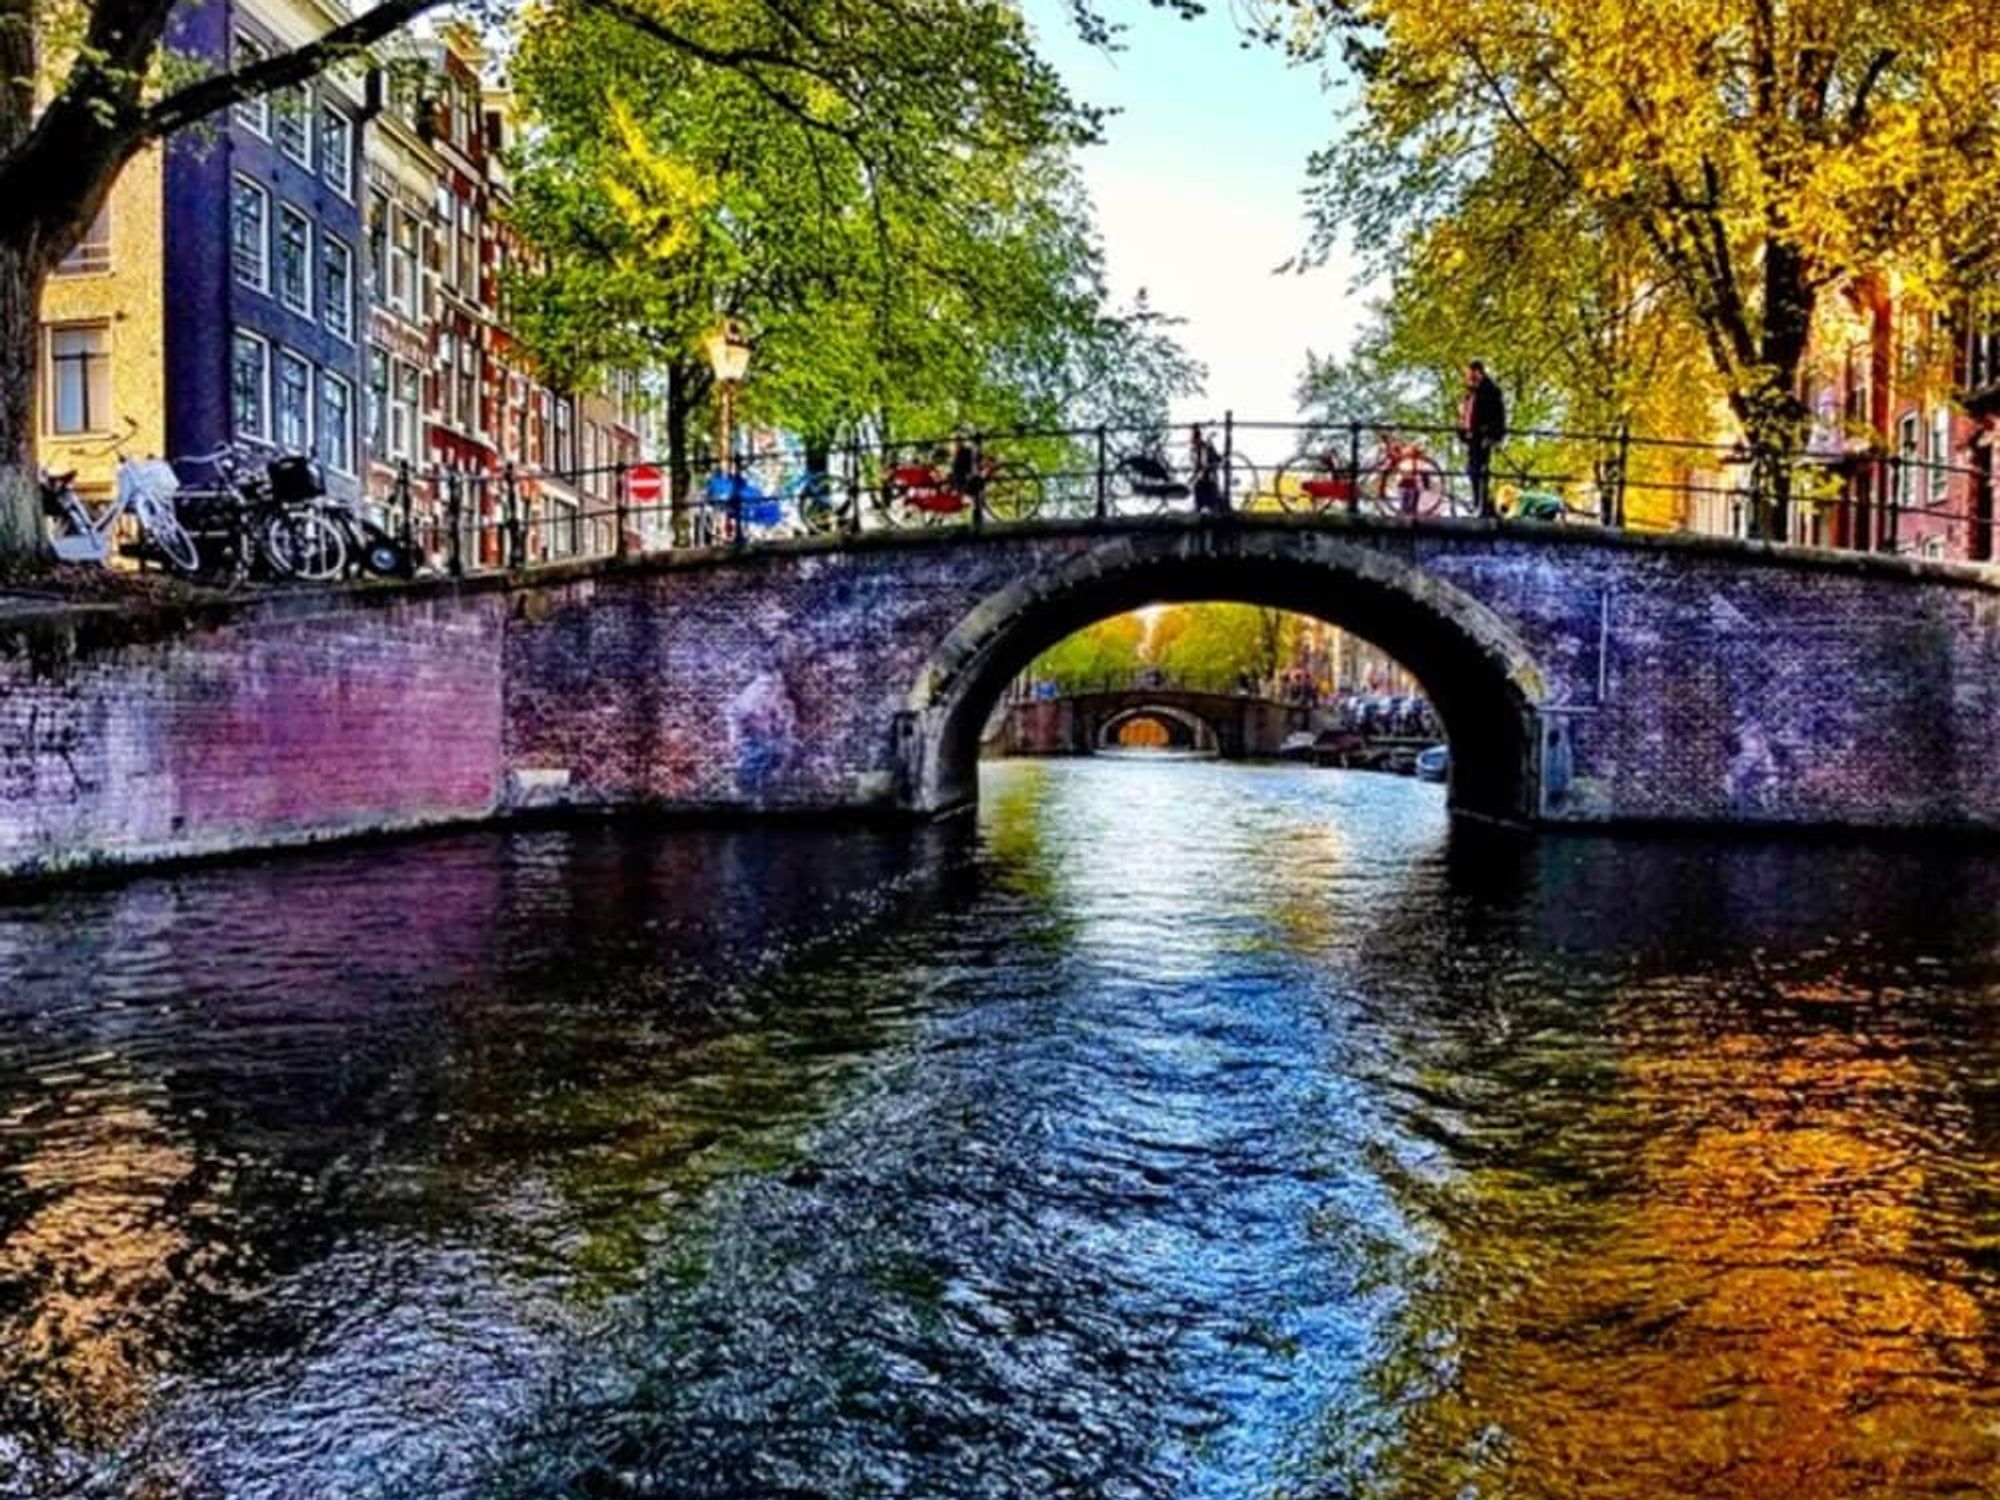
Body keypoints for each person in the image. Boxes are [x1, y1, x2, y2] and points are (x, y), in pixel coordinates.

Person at [1459, 361, 1507, 517]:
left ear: (1478, 372)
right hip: (1473, 437)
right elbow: (1466, 414)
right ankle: (1479, 503)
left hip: (1483, 436)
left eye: (1471, 374)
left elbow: (1498, 415)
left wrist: (1493, 435)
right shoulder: (1471, 392)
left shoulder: (1490, 390)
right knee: (1472, 469)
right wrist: (1462, 431)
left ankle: (1481, 504)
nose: (1468, 377)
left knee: (1479, 470)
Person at [1191, 424, 1229, 517]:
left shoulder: (1203, 447)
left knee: (1207, 502)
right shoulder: (1196, 449)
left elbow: (1214, 460)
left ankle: (1208, 512)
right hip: (1205, 482)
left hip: (1208, 482)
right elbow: (1198, 467)